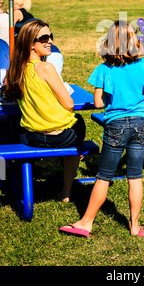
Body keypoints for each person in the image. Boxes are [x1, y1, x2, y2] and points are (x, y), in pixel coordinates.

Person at [60, 20, 144, 238]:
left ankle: (86, 222)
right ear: (135, 42)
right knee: (135, 176)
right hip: (139, 123)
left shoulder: (104, 70)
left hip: (115, 125)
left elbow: (98, 103)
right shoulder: (143, 65)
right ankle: (135, 225)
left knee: (104, 176)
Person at [3, 19, 86, 202]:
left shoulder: (15, 71)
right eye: (44, 38)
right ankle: (66, 191)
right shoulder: (46, 68)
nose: (50, 41)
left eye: (51, 36)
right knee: (78, 121)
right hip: (60, 137)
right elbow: (69, 104)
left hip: (33, 136)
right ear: (31, 44)